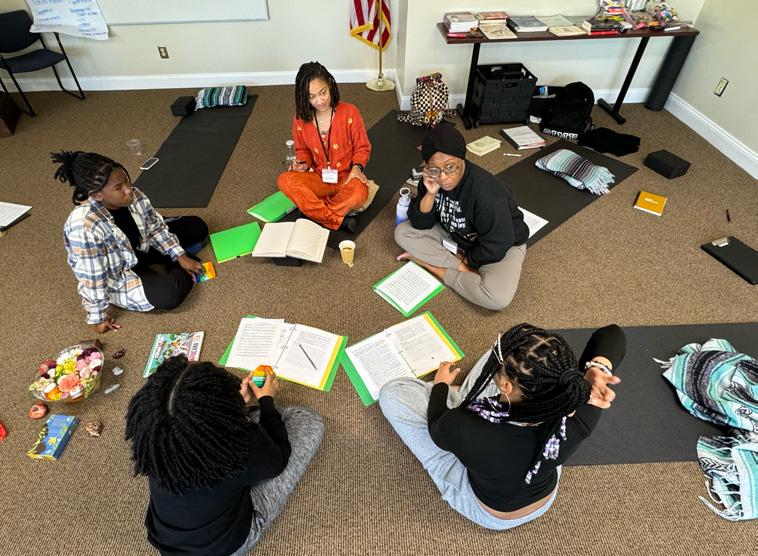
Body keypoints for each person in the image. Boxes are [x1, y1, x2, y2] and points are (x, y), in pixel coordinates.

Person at [379, 323, 626, 530]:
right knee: (521, 355)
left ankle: (462, 393)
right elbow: (613, 334)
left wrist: (441, 385)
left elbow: (437, 425)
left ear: (506, 387)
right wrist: (598, 368)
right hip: (540, 490)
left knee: (392, 392)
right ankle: (490, 389)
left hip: (487, 511)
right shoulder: (582, 406)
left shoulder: (461, 426)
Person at [125, 356, 325, 556]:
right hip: (223, 546)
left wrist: (234, 403)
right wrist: (266, 401)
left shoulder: (153, 438)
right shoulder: (241, 443)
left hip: (168, 539)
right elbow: (277, 461)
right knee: (307, 420)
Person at [52, 151, 209, 333]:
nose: (128, 189)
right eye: (119, 187)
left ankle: (175, 259)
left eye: (126, 180)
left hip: (142, 242)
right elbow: (93, 277)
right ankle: (173, 265)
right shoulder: (84, 228)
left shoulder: (132, 194)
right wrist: (98, 317)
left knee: (198, 226)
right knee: (170, 293)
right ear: (97, 195)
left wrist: (179, 254)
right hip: (120, 269)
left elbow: (154, 227)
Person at [395, 123, 529, 311]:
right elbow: (420, 224)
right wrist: (430, 194)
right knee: (402, 233)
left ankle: (432, 267)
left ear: (461, 159)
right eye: (435, 168)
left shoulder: (488, 195)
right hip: (456, 234)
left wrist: (469, 261)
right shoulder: (432, 177)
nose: (443, 177)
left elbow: (498, 242)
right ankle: (460, 270)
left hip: (500, 244)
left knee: (496, 298)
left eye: (450, 167)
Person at [277, 62, 371, 231]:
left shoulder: (350, 112)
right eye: (312, 97)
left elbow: (362, 147)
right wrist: (302, 164)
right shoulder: (300, 119)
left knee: (360, 192)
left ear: (330, 85)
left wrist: (357, 168)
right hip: (318, 178)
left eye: (323, 93)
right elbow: (302, 151)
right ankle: (336, 218)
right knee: (285, 180)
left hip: (346, 178)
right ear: (303, 97)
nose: (319, 101)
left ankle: (314, 212)